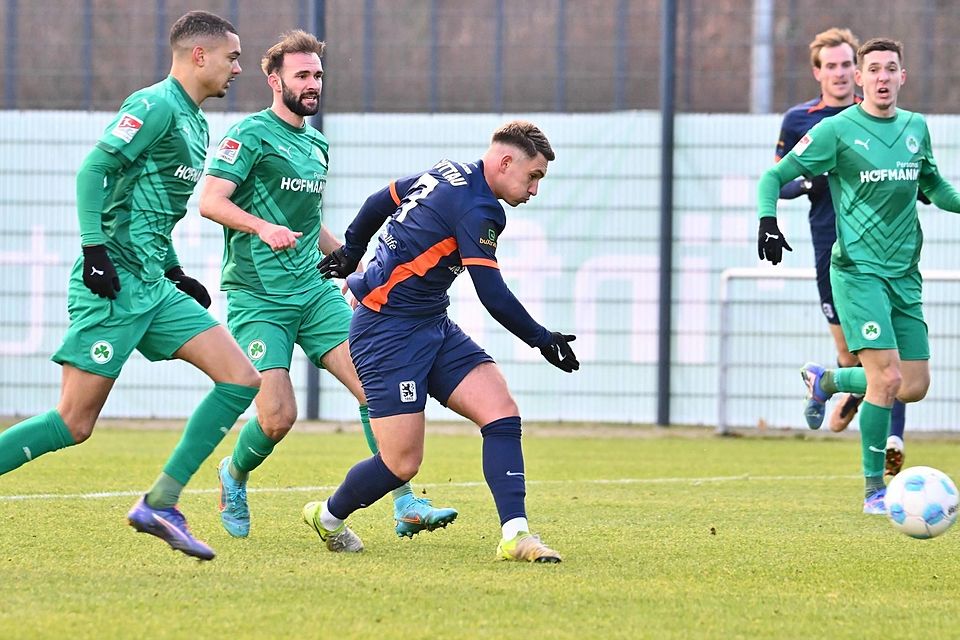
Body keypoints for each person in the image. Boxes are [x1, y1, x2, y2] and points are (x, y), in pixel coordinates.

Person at [0, 11, 260, 560]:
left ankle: (160, 503)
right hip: (112, 281)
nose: (238, 68)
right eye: (232, 57)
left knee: (240, 379)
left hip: (152, 282)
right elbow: (93, 170)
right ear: (199, 55)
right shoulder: (155, 104)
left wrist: (174, 272)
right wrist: (94, 250)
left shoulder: (195, 123)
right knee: (73, 423)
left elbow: (151, 208)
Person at [198, 30, 457, 545]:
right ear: (275, 81)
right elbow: (210, 201)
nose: (313, 84)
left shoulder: (316, 143)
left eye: (318, 75)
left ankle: (403, 502)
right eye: (302, 75)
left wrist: (353, 267)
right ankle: (234, 473)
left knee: (375, 387)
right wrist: (260, 227)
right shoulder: (250, 135)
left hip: (315, 292)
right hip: (259, 298)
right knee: (277, 417)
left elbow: (309, 221)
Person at [302, 120, 579, 562]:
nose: (534, 191)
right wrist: (541, 339)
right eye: (534, 177)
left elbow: (380, 200)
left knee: (501, 411)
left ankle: (515, 535)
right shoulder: (480, 210)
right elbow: (492, 293)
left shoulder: (448, 171)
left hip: (431, 322)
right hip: (385, 333)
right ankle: (328, 516)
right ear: (506, 162)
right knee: (400, 463)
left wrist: (353, 252)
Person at [757, 38, 960, 515]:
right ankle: (874, 491)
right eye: (875, 70)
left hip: (904, 275)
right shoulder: (837, 130)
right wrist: (768, 220)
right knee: (886, 379)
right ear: (861, 80)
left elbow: (934, 186)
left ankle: (825, 380)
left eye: (892, 69)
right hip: (856, 271)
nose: (884, 77)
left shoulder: (915, 128)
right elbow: (774, 177)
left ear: (902, 77)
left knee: (913, 385)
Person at [774, 27, 907, 472]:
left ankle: (891, 440)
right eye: (830, 65)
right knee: (856, 357)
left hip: (886, 248)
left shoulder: (880, 117)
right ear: (817, 72)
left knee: (892, 354)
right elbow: (782, 181)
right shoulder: (800, 121)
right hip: (834, 250)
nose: (840, 73)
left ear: (859, 69)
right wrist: (815, 176)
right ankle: (831, 381)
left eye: (847, 64)